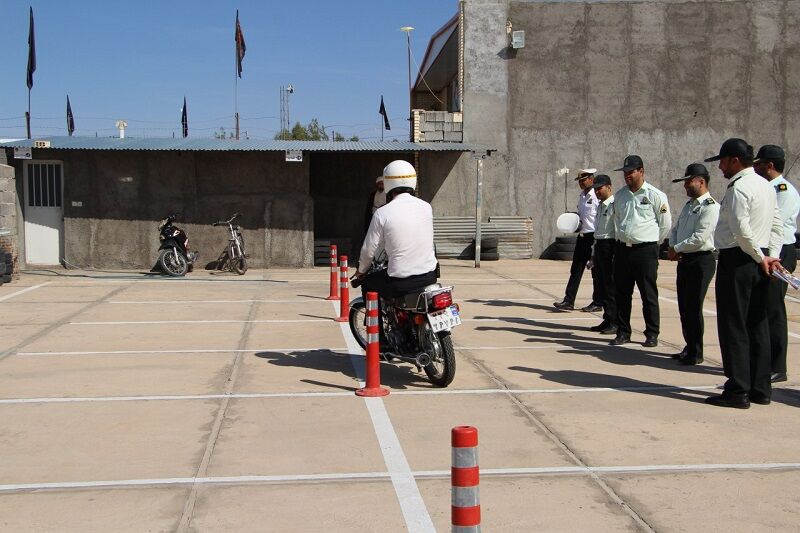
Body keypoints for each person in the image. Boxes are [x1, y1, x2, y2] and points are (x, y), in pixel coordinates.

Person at [703, 138, 783, 409]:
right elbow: (777, 224)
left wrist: (761, 257)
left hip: (740, 260)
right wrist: (771, 255)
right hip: (760, 258)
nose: (721, 167)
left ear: (734, 160)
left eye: (723, 161)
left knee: (734, 325)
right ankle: (761, 388)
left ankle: (738, 389)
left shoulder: (739, 188)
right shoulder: (765, 185)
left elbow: (740, 229)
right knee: (757, 325)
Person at [355, 160, 438, 303]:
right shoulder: (426, 207)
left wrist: (361, 270)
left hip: (400, 281)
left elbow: (369, 250)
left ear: (388, 183)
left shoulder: (382, 213)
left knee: (368, 283)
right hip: (430, 276)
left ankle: (377, 324)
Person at [610, 155, 672, 347]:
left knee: (648, 294)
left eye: (631, 172)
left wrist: (652, 244)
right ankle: (623, 332)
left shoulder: (655, 195)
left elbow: (665, 225)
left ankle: (652, 333)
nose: (627, 176)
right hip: (623, 250)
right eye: (625, 173)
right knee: (622, 293)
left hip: (645, 250)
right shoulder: (620, 196)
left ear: (641, 171)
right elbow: (617, 221)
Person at [753, 144, 800, 384]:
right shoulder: (765, 188)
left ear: (769, 165)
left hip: (780, 252)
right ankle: (762, 360)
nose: (755, 167)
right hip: (767, 252)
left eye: (758, 164)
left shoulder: (782, 190)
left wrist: (773, 259)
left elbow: (776, 227)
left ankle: (777, 365)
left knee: (774, 309)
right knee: (761, 307)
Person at [667, 163, 720, 365]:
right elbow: (676, 229)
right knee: (684, 307)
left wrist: (677, 248)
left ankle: (696, 352)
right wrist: (673, 246)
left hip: (701, 260)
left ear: (701, 181)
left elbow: (700, 237)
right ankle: (689, 346)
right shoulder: (689, 206)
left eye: (689, 182)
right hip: (685, 259)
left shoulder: (711, 207)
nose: (685, 186)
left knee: (694, 307)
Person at [554, 168, 603, 312]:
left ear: (591, 179)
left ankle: (598, 302)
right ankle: (569, 300)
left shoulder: (596, 196)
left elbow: (598, 218)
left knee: (596, 271)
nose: (581, 183)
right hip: (582, 237)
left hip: (593, 237)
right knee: (576, 269)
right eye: (579, 181)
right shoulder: (582, 196)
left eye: (583, 180)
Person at [588, 174, 617, 334]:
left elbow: (616, 229)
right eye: (595, 189)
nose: (597, 191)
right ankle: (607, 319)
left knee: (611, 286)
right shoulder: (600, 205)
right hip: (599, 245)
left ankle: (615, 321)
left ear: (609, 187)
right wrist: (593, 253)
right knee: (602, 285)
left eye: (600, 188)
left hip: (610, 246)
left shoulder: (614, 204)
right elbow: (597, 230)